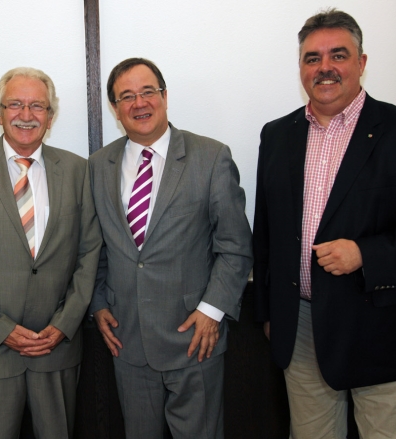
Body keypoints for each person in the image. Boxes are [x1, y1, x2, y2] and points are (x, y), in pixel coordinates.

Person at [253, 8, 396, 438]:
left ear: (361, 63)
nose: (324, 67)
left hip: (383, 329)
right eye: (312, 58)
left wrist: (366, 253)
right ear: (301, 67)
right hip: (302, 331)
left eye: (338, 55)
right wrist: (271, 312)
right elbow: (267, 233)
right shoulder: (276, 135)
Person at [89, 58, 253, 439]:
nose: (139, 103)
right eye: (126, 96)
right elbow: (92, 247)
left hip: (195, 337)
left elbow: (235, 245)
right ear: (115, 109)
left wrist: (212, 312)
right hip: (126, 340)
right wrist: (98, 304)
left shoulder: (210, 157)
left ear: (165, 96)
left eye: (148, 92)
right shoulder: (98, 166)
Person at [0, 67, 102, 439]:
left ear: (51, 115)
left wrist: (63, 325)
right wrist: (0, 328)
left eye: (37, 106)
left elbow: (89, 252)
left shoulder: (78, 171)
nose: (26, 115)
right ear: (0, 112)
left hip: (56, 346)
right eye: (15, 104)